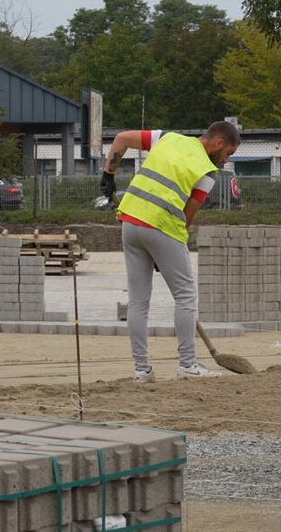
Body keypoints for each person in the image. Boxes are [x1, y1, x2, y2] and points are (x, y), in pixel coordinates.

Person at [100, 121, 240, 383]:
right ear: (219, 143)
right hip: (163, 227)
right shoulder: (208, 171)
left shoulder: (166, 137)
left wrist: (108, 174)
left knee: (138, 301)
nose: (226, 160)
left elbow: (121, 139)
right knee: (186, 295)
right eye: (229, 153)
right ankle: (188, 364)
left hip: (130, 222)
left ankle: (142, 371)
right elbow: (188, 216)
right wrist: (168, 250)